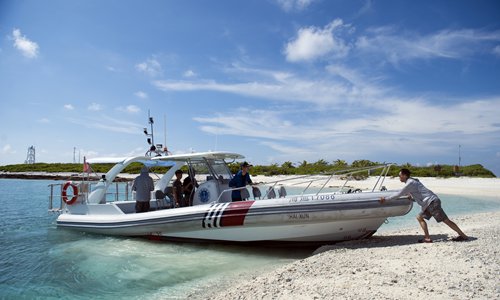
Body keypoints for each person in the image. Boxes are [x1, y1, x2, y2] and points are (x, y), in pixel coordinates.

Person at [380, 168, 468, 243]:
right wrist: (412, 199)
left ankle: (463, 236)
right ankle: (427, 238)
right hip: (429, 203)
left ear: (404, 175)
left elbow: (399, 193)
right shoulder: (413, 181)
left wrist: (386, 199)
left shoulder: (410, 183)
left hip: (432, 202)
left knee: (445, 220)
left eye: (400, 176)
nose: (399, 177)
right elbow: (419, 194)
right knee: (419, 217)